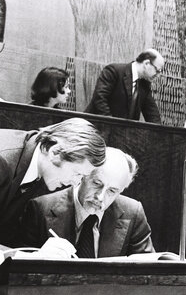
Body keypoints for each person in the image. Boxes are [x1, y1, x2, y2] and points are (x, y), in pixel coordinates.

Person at [22, 147, 154, 257]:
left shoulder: (133, 212)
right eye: (97, 183)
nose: (101, 197)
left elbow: (148, 270)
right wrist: (39, 256)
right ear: (83, 176)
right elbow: (20, 267)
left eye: (112, 191)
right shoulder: (39, 209)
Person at [0, 118, 106, 246]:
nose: (75, 183)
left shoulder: (42, 167)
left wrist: (34, 255)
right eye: (77, 173)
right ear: (54, 152)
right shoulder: (3, 160)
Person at [85, 49, 164, 123]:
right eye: (157, 71)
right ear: (146, 63)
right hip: (94, 128)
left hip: (120, 133)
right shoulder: (113, 71)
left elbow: (152, 113)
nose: (158, 75)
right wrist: (112, 126)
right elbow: (99, 99)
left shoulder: (145, 84)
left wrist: (158, 134)